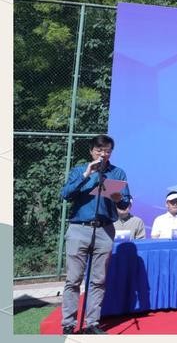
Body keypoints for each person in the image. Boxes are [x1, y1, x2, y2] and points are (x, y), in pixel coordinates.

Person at [60, 134, 130, 335]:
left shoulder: (117, 172)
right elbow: (65, 194)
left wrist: (118, 199)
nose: (103, 154)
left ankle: (92, 323)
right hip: (79, 228)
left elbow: (125, 203)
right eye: (99, 150)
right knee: (73, 279)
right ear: (91, 151)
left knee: (98, 279)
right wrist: (86, 174)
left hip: (105, 229)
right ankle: (68, 324)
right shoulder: (79, 170)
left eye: (107, 151)